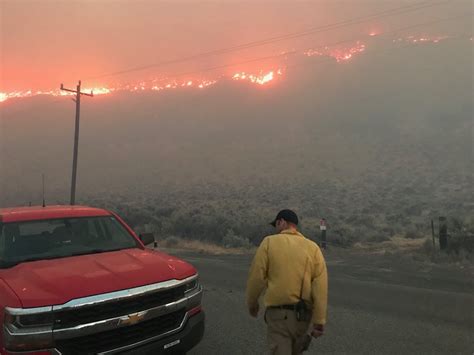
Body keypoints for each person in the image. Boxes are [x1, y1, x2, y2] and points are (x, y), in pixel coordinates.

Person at [246, 209, 328, 355]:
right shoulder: (313, 248)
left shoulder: (269, 243)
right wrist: (319, 320)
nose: (276, 229)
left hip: (279, 317)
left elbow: (256, 277)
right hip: (303, 318)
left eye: (276, 224)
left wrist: (252, 304)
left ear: (281, 222)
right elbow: (320, 287)